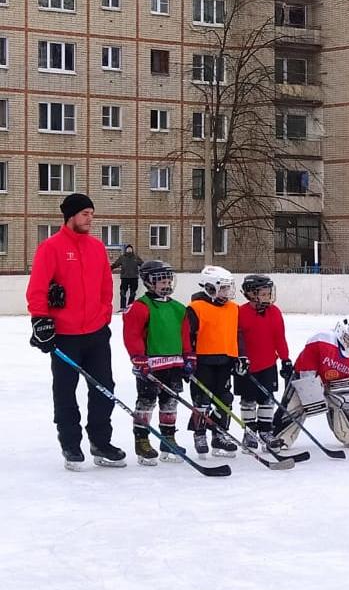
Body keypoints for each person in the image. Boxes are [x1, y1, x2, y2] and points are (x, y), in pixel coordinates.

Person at [27, 193, 125, 470]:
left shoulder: (97, 248)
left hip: (96, 332)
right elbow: (37, 288)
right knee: (65, 391)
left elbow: (107, 287)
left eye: (92, 214)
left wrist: (104, 314)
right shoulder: (51, 247)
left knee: (104, 388)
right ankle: (71, 444)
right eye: (85, 214)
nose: (90, 219)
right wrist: (40, 320)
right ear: (70, 216)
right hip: (65, 335)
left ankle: (101, 442)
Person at [122, 260, 188, 465]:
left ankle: (168, 439)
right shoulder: (141, 307)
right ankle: (142, 441)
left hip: (174, 365)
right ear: (149, 282)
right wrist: (138, 358)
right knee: (146, 402)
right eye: (161, 280)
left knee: (170, 403)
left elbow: (184, 335)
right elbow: (132, 335)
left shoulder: (178, 308)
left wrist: (189, 356)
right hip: (150, 365)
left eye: (168, 279)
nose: (166, 283)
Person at [272, 316, 349, 449]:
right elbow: (307, 368)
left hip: (333, 381)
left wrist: (336, 392)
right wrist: (314, 390)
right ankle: (280, 437)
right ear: (340, 332)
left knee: (348, 398)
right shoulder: (321, 339)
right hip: (307, 376)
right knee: (299, 403)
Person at [183, 265, 240, 458]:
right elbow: (186, 336)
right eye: (223, 288)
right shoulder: (196, 308)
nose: (227, 292)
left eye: (228, 287)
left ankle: (220, 434)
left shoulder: (233, 308)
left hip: (225, 360)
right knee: (202, 400)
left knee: (224, 399)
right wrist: (187, 358)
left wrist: (240, 356)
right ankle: (200, 434)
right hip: (202, 362)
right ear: (210, 287)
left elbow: (236, 335)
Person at [235, 274, 291, 450]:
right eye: (264, 294)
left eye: (269, 293)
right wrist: (237, 358)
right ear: (251, 294)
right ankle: (249, 433)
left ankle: (266, 431)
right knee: (248, 400)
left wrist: (285, 359)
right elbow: (235, 338)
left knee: (267, 399)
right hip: (246, 366)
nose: (268, 297)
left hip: (268, 364)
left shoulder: (275, 312)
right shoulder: (240, 313)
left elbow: (279, 337)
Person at [112, 244, 143, 311]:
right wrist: (109, 268)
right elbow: (116, 264)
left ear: (132, 250)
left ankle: (130, 308)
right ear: (126, 250)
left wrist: (146, 270)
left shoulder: (136, 257)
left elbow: (142, 265)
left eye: (130, 249)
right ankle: (122, 307)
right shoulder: (122, 257)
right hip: (124, 278)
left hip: (134, 278)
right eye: (128, 249)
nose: (129, 250)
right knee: (122, 292)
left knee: (133, 293)